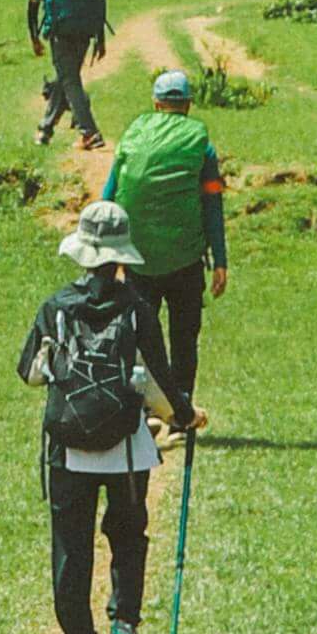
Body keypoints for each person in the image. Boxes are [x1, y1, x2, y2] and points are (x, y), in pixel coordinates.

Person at [17, 196, 188, 634]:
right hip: (126, 448)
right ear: (120, 257)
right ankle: (124, 625)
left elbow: (29, 373)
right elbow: (159, 382)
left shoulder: (55, 307)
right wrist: (184, 414)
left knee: (71, 545)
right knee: (128, 535)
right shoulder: (137, 310)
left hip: (68, 445)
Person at [102, 61, 231, 423]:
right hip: (186, 261)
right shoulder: (202, 147)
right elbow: (212, 205)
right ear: (188, 105)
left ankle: (143, 410)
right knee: (184, 339)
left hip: (139, 259)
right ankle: (181, 411)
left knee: (141, 338)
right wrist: (220, 260)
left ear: (156, 104)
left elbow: (109, 194)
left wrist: (106, 255)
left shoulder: (133, 135)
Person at [25, 0, 109, 150]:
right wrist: (100, 39)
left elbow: (32, 10)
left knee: (69, 80)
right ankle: (45, 130)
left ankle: (89, 133)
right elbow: (99, 3)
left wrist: (34, 39)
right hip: (85, 32)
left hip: (60, 34)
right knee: (66, 78)